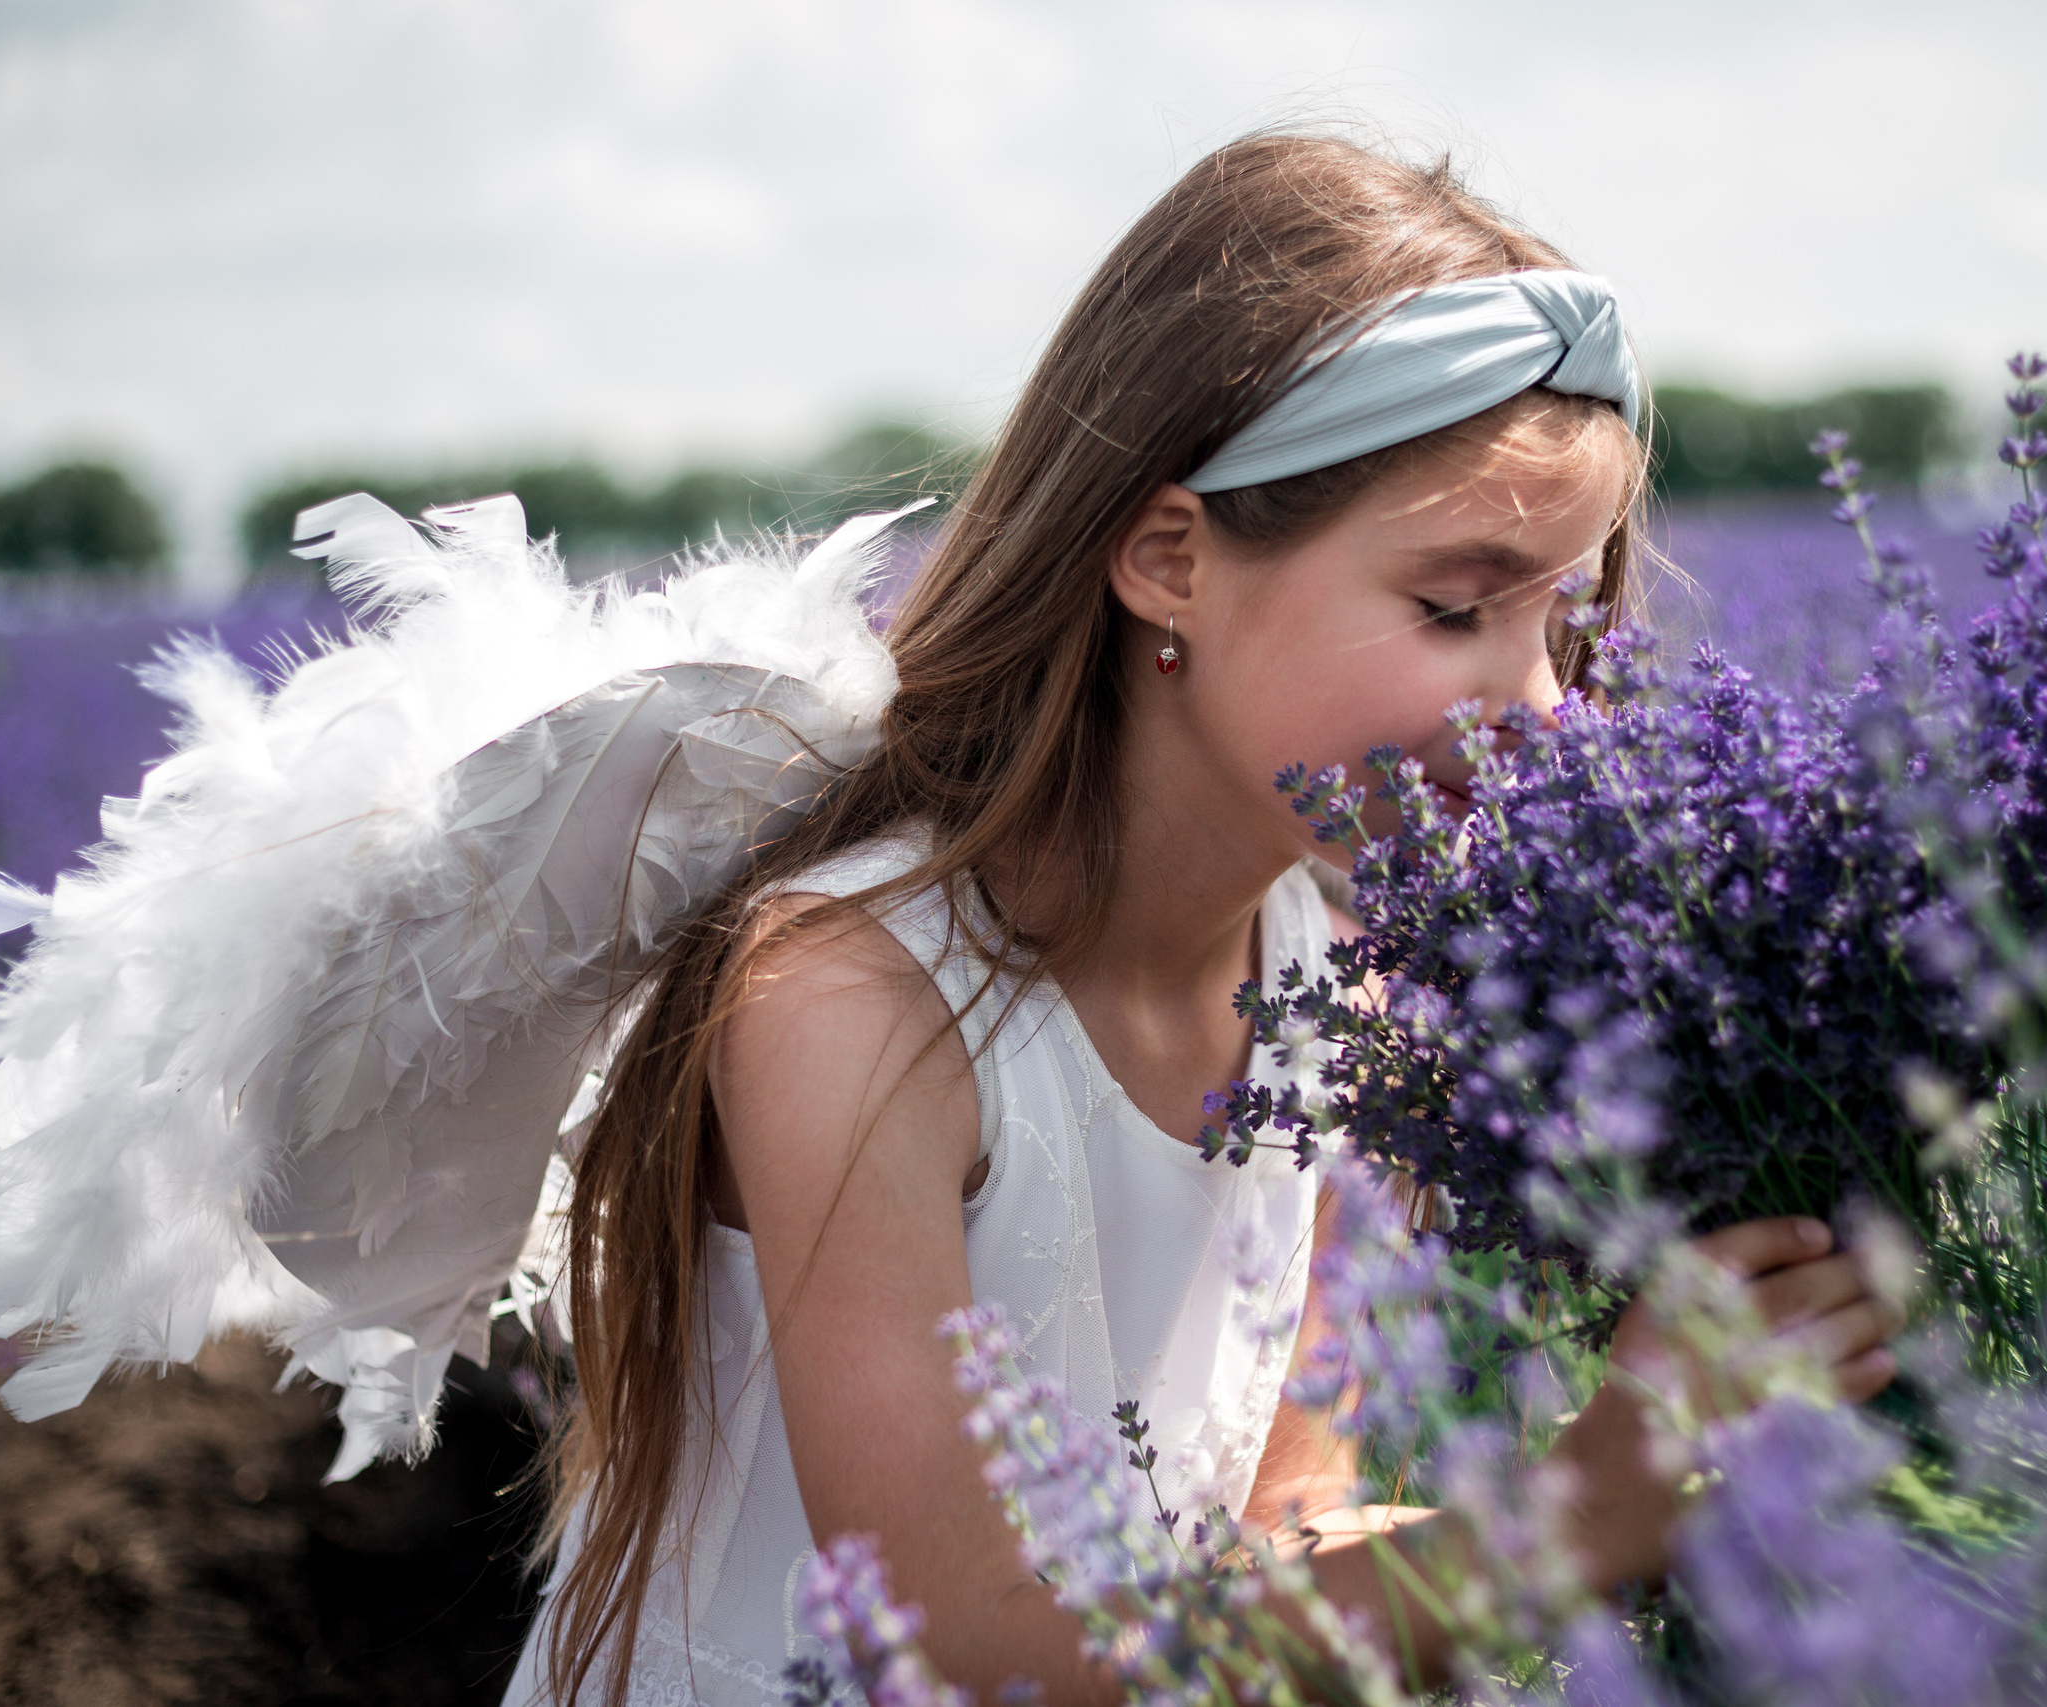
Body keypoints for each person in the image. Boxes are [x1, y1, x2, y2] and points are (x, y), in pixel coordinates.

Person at [505, 130, 1903, 1707]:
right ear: (1170, 558)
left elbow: (1267, 1529)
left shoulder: (1346, 999)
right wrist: (1563, 1524)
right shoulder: (853, 1001)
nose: (1541, 707)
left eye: (1565, 623)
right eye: (1455, 606)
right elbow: (957, 1652)